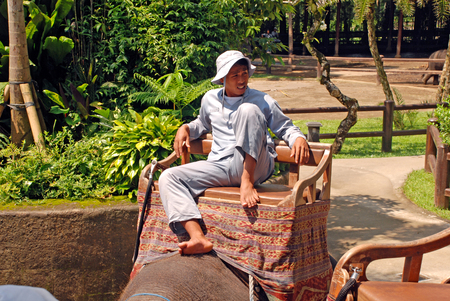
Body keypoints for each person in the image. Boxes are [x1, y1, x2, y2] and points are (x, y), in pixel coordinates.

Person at [158, 50, 310, 255]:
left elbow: (285, 127)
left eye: (244, 73)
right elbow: (201, 124)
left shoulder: (261, 99)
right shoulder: (210, 99)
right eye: (235, 75)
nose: (242, 79)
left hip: (256, 165)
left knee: (248, 110)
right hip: (221, 164)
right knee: (169, 177)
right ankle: (197, 237)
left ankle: (246, 182)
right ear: (222, 79)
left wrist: (298, 138)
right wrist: (185, 128)